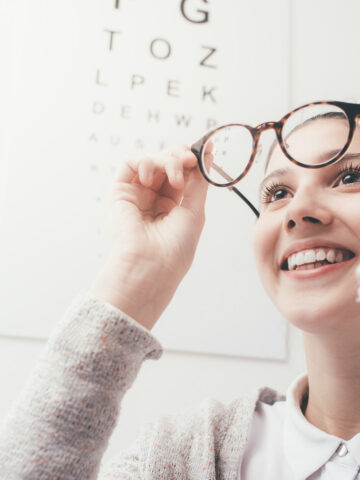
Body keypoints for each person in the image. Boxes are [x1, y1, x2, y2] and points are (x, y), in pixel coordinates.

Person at [1, 100, 360, 479]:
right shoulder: (184, 456)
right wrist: (136, 276)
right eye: (277, 193)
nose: (296, 209)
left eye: (350, 177)